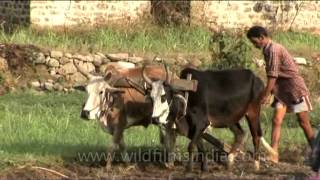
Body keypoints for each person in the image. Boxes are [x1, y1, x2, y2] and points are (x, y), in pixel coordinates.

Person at [246, 26, 315, 163]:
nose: (254, 45)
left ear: (262, 37)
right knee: (276, 120)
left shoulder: (273, 50)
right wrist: (271, 91)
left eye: (255, 42)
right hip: (281, 89)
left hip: (294, 88)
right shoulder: (267, 50)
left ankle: (316, 152)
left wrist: (265, 95)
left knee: (303, 122)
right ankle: (274, 154)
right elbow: (274, 77)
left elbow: (272, 76)